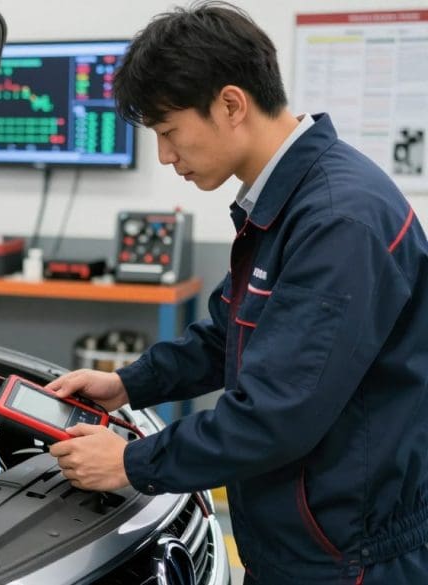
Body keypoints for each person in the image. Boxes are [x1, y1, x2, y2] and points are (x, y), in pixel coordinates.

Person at [45, 2, 428, 584]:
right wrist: (127, 383)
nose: (165, 156)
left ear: (230, 104)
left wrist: (131, 463)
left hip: (348, 556)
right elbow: (227, 334)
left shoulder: (337, 220)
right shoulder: (289, 201)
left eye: (169, 132)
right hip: (302, 538)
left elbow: (277, 416)